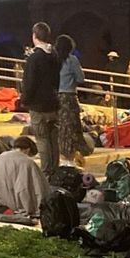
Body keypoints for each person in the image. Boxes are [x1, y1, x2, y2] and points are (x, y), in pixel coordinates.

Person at [19, 22, 61, 178]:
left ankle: (46, 172)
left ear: (34, 36)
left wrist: (25, 100)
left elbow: (29, 82)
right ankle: (55, 170)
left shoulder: (34, 58)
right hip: (53, 103)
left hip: (38, 105)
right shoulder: (55, 55)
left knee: (42, 139)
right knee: (53, 139)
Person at [0, 135, 51, 218]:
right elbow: (34, 189)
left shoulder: (1, 157)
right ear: (28, 150)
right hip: (16, 208)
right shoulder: (27, 162)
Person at [54, 33, 87, 165]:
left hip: (55, 97)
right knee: (71, 126)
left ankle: (60, 152)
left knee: (60, 126)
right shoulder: (72, 60)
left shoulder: (53, 59)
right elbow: (81, 78)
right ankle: (70, 154)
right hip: (68, 96)